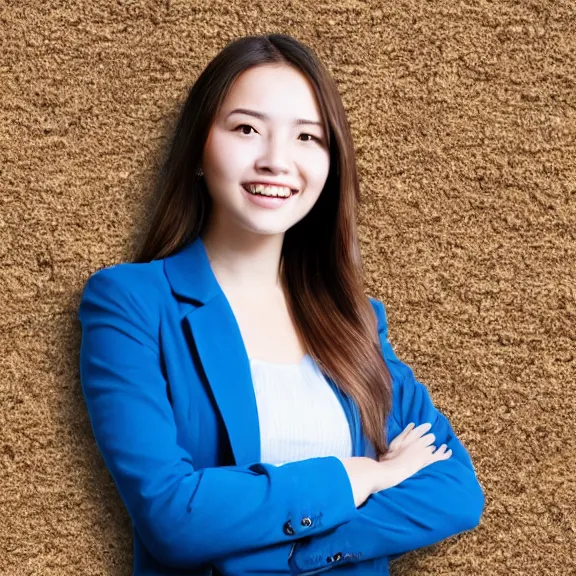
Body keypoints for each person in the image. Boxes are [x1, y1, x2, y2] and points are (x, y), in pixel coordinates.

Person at [78, 34, 484, 575]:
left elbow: (454, 489)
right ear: (199, 148)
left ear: (329, 163)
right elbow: (173, 516)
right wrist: (358, 476)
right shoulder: (131, 305)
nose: (276, 161)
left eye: (307, 137)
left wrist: (293, 553)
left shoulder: (354, 320)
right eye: (247, 128)